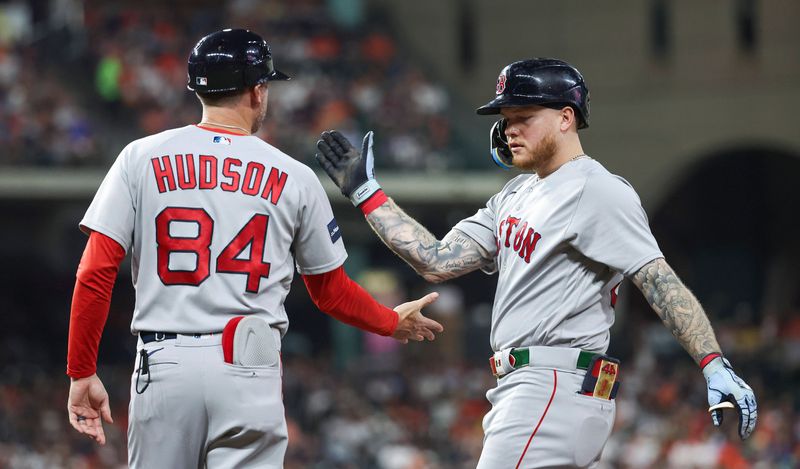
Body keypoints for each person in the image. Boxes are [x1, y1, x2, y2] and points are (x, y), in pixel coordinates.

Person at [315, 58, 757, 468]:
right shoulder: (514, 195)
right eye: (507, 120)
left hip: (552, 385)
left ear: (566, 118)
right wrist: (365, 192)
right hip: (534, 388)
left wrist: (712, 363)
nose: (510, 130)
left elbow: (659, 281)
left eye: (524, 117)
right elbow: (436, 260)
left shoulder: (597, 189)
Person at [65, 28, 443, 468]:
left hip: (164, 363)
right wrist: (387, 321)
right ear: (258, 91)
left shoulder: (140, 156)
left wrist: (81, 370)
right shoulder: (295, 175)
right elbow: (330, 291)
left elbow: (94, 272)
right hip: (249, 363)